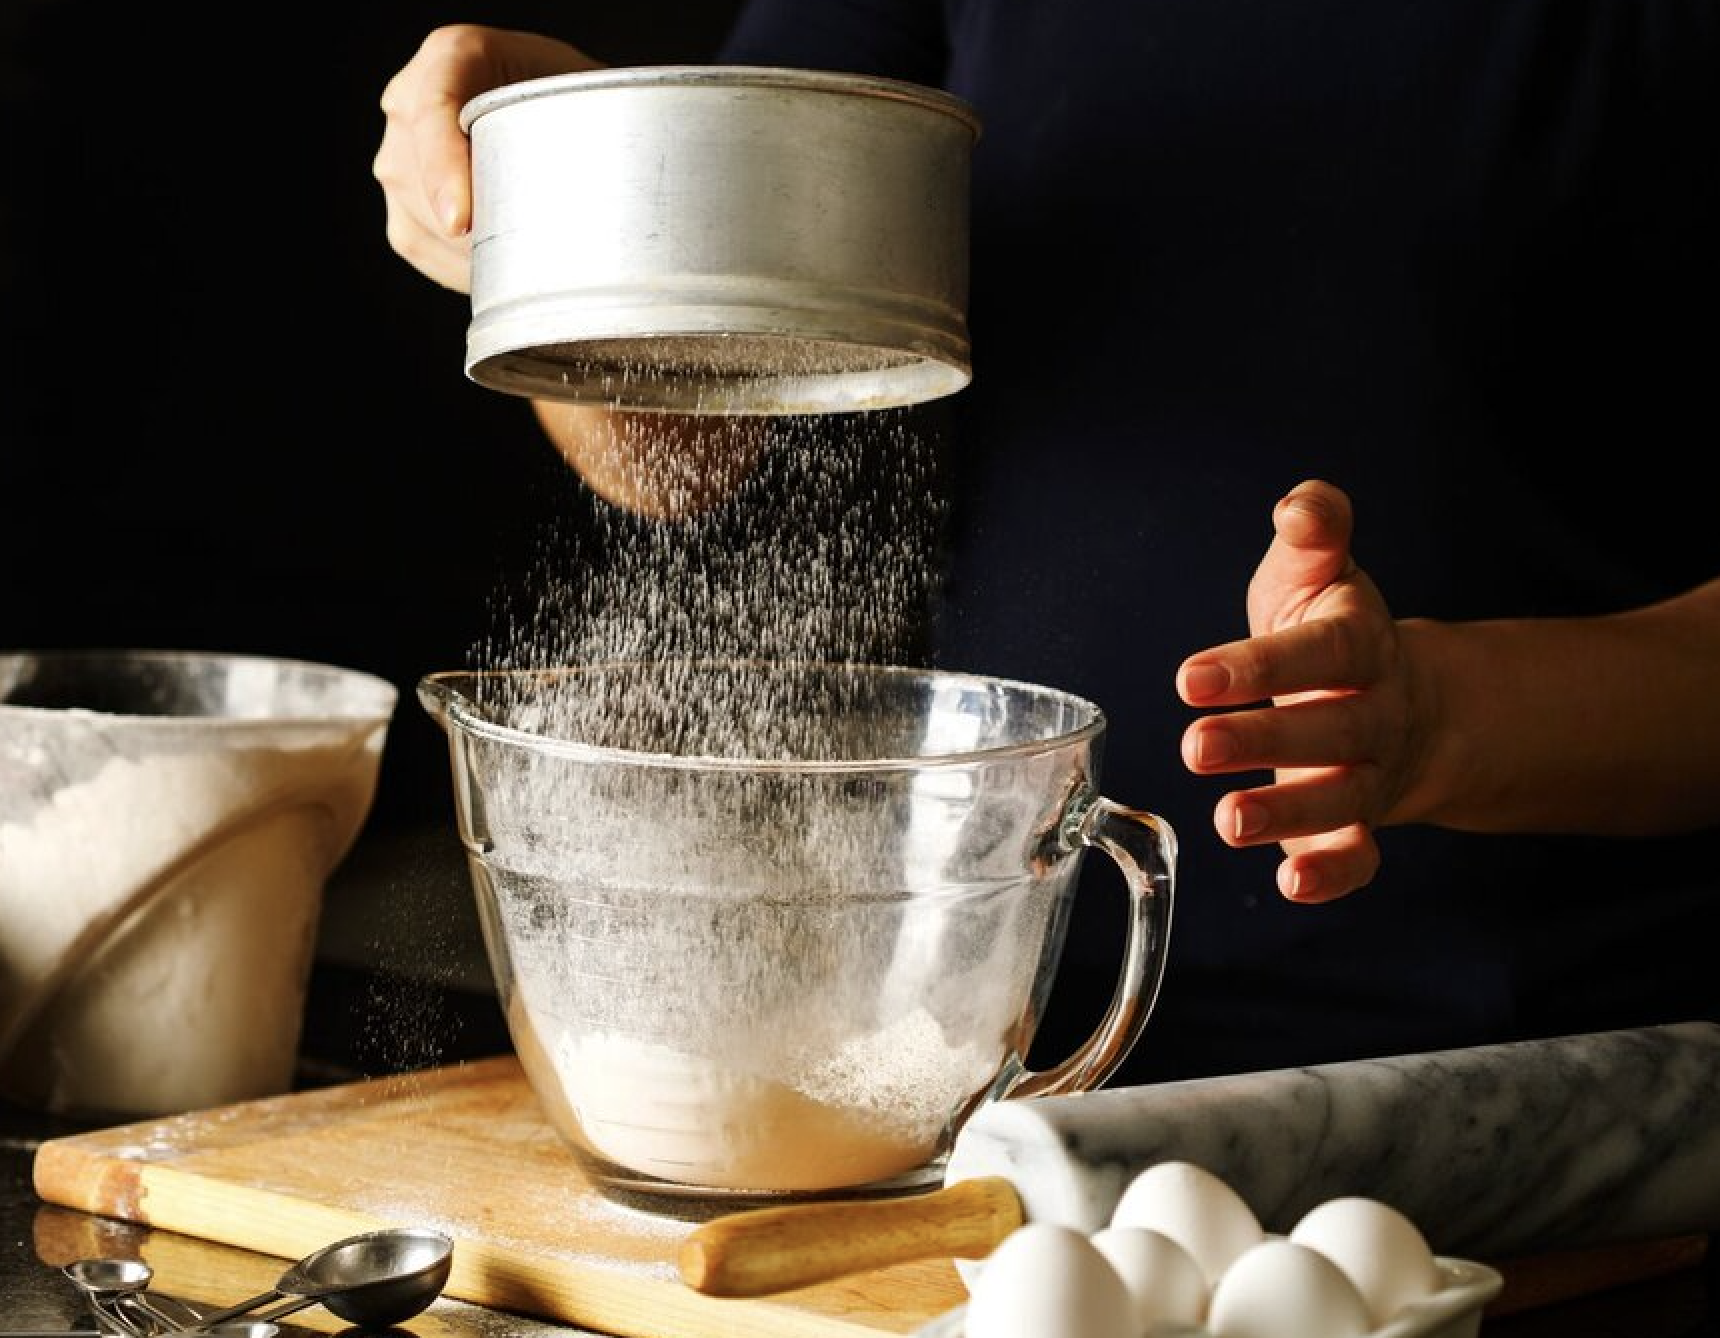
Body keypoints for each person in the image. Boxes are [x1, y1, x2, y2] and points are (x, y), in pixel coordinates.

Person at [375, 8, 1720, 1083]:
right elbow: (686, 447)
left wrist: (1437, 718)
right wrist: (582, 207)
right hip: (994, 1072)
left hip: (1549, 1103)